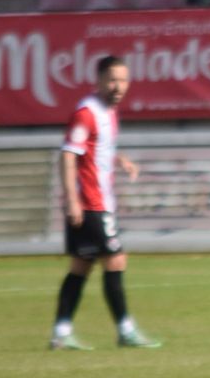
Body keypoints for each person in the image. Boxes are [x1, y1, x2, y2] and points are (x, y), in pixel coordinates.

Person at [51, 56, 160, 352]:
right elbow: (68, 154)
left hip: (95, 203)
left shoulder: (108, 112)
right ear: (98, 80)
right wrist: (72, 200)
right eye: (112, 80)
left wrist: (119, 159)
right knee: (115, 260)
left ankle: (61, 332)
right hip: (91, 204)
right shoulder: (86, 113)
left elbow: (95, 149)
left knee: (80, 266)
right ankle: (125, 329)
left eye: (123, 80)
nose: (118, 86)